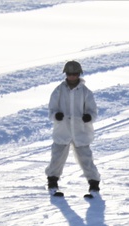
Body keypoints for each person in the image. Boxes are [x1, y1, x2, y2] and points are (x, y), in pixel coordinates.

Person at [46, 60, 100, 197]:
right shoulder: (58, 90)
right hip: (62, 130)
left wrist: (89, 117)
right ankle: (52, 182)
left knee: (86, 157)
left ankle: (93, 184)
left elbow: (93, 111)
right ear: (66, 74)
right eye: (69, 74)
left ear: (79, 74)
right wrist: (55, 115)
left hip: (80, 131)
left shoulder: (86, 92)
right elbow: (51, 109)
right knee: (57, 157)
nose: (72, 76)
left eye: (75, 74)